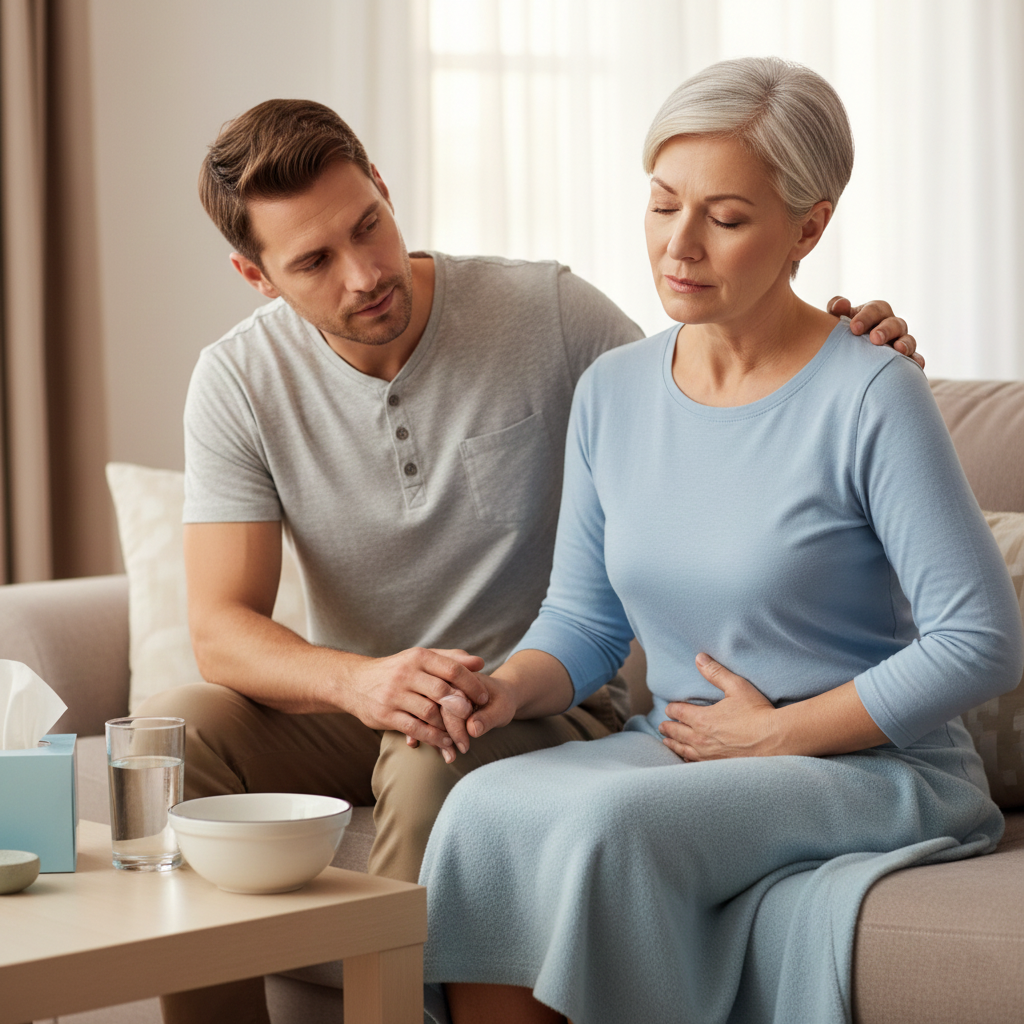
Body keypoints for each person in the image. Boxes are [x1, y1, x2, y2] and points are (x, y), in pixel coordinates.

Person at [138, 98, 920, 1024]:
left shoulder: (545, 310)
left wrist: (842, 355)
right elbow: (221, 630)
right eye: (314, 261)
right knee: (172, 733)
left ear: (383, 188)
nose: (365, 273)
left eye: (369, 225)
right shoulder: (237, 380)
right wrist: (361, 684)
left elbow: (708, 382)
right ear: (255, 275)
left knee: (427, 756)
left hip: (536, 702)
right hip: (362, 701)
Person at [418, 57, 1024, 1024]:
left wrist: (779, 734)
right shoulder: (612, 392)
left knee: (613, 829)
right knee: (482, 814)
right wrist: (504, 690)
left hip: (871, 768)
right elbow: (584, 621)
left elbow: (981, 640)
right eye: (663, 204)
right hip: (687, 748)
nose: (679, 244)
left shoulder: (872, 392)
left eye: (726, 218)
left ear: (809, 228)